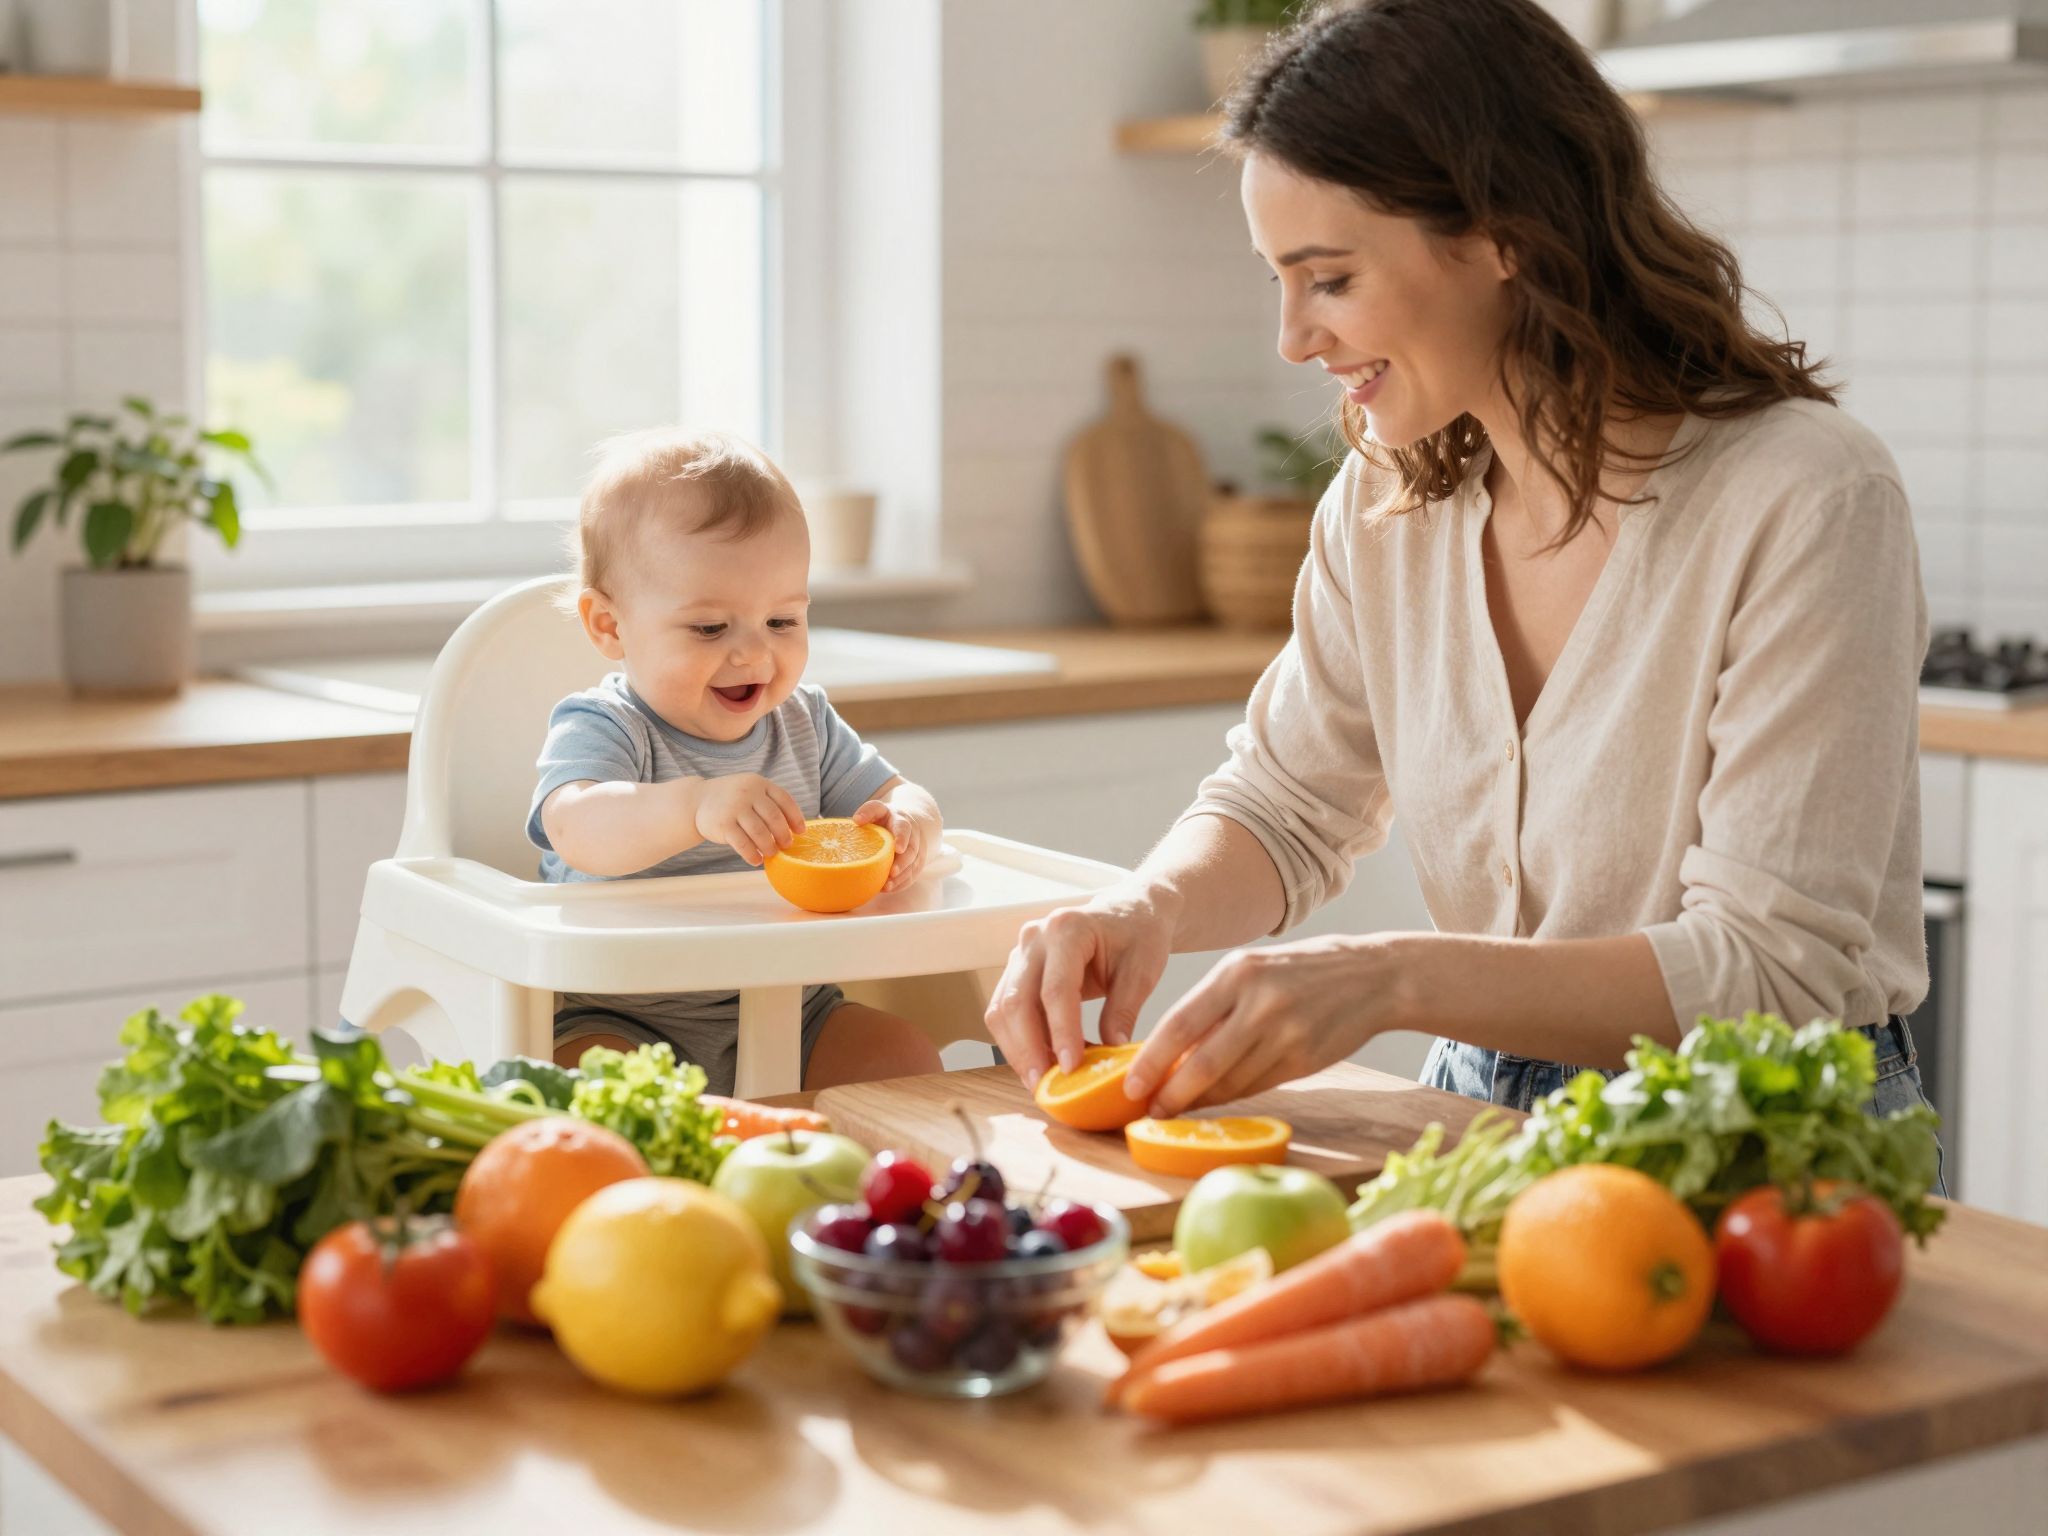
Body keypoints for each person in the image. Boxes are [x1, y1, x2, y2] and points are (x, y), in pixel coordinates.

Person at [984, 0, 1940, 1136]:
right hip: (1478, 1115)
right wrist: (1141, 905)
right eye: (1275, 281)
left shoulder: (1804, 494)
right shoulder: (1387, 507)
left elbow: (1769, 972)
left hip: (1764, 1153)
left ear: (1503, 238)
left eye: (1328, 279)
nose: (1294, 337)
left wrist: (1388, 979)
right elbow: (1286, 802)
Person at [528, 427, 944, 1092]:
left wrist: (910, 824)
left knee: (904, 1059)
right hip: (624, 1014)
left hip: (794, 1006)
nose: (753, 654)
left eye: (783, 622)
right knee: (582, 1087)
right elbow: (576, 828)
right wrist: (694, 806)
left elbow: (899, 792)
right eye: (710, 628)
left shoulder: (804, 723)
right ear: (609, 626)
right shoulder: (606, 726)